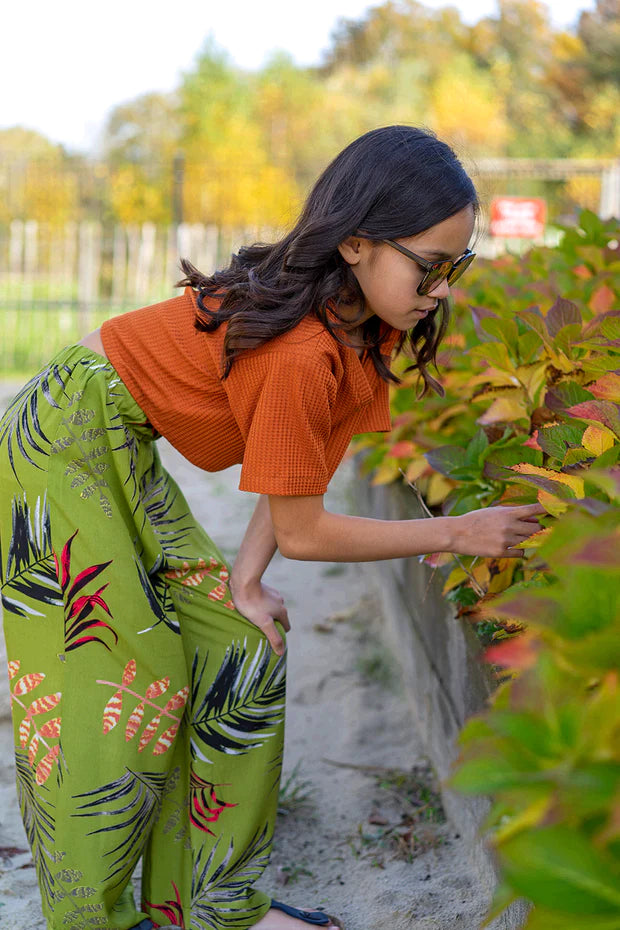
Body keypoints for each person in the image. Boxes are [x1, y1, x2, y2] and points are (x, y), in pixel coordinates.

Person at [0, 125, 543, 930]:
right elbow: (308, 532)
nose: (442, 288)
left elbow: (296, 481)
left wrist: (245, 584)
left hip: (115, 445)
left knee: (240, 647)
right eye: (430, 265)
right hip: (60, 445)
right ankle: (100, 919)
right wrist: (457, 533)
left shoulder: (353, 328)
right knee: (118, 685)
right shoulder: (300, 347)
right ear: (356, 244)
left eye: (457, 265)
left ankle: (216, 907)